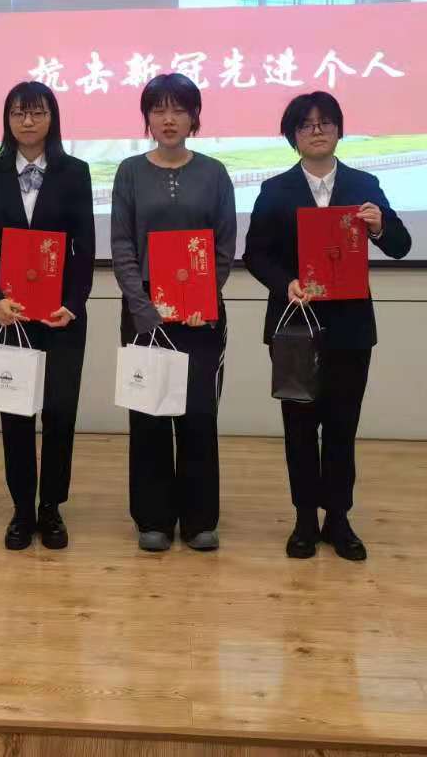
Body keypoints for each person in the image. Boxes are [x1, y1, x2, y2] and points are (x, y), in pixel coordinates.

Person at [244, 91, 412, 562]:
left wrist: (379, 226)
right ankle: (303, 519)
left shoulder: (364, 184)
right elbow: (255, 254)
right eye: (306, 124)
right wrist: (286, 283)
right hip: (296, 326)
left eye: (325, 123)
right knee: (299, 427)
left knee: (342, 427)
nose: (316, 131)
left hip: (350, 329)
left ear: (339, 130)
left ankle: (338, 518)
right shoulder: (274, 189)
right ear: (292, 136)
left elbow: (401, 244)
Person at [110, 73, 236, 553]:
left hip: (201, 313)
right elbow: (122, 244)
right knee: (149, 412)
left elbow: (224, 245)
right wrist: (143, 308)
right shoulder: (129, 172)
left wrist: (202, 299)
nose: (168, 119)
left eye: (179, 109)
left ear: (194, 118)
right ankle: (154, 519)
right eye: (159, 109)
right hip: (144, 310)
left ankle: (200, 519)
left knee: (199, 414)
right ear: (147, 117)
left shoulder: (215, 173)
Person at [0, 81, 95, 551]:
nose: (27, 121)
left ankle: (52, 507)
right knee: (16, 411)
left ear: (52, 118)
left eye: (37, 112)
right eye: (18, 113)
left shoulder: (75, 172)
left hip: (61, 315)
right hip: (10, 315)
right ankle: (23, 509)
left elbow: (85, 247)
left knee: (60, 412)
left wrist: (74, 303)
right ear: (7, 120)